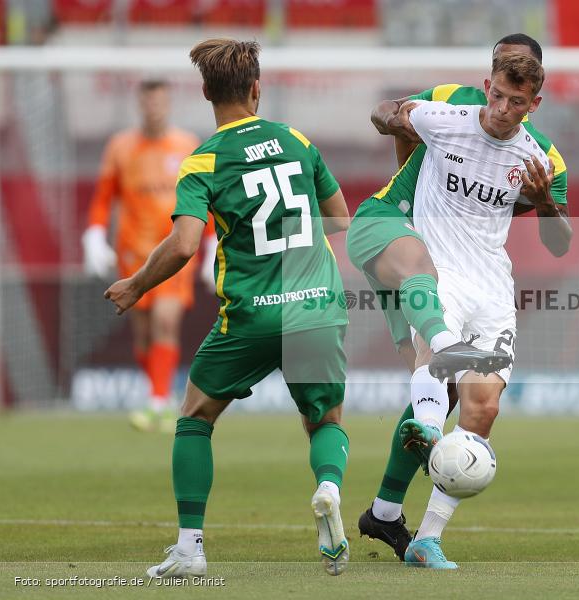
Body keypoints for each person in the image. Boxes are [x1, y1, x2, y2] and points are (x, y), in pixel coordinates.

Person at [104, 39, 353, 577]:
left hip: (252, 313)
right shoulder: (296, 139)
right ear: (257, 89)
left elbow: (184, 245)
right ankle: (329, 489)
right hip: (317, 306)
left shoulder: (204, 160)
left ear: (205, 93)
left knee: (195, 417)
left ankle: (190, 548)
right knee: (324, 419)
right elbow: (340, 219)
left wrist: (136, 285)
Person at [351, 34, 570, 562]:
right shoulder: (449, 109)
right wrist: (401, 130)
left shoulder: (543, 159)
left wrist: (543, 205)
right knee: (437, 359)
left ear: (534, 100)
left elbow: (560, 242)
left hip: (491, 283)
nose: (501, 109)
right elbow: (385, 113)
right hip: (435, 262)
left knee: (483, 407)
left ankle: (425, 536)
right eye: (496, 93)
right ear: (486, 82)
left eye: (516, 101)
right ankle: (425, 432)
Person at [82, 79, 215, 433]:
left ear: (167, 104)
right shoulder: (121, 147)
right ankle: (160, 394)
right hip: (133, 252)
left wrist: (212, 243)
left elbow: (208, 198)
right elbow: (103, 197)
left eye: (159, 102)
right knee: (142, 335)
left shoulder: (187, 145)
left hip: (175, 251)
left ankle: (157, 403)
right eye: (148, 102)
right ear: (140, 104)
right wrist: (94, 236)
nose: (153, 108)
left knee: (166, 322)